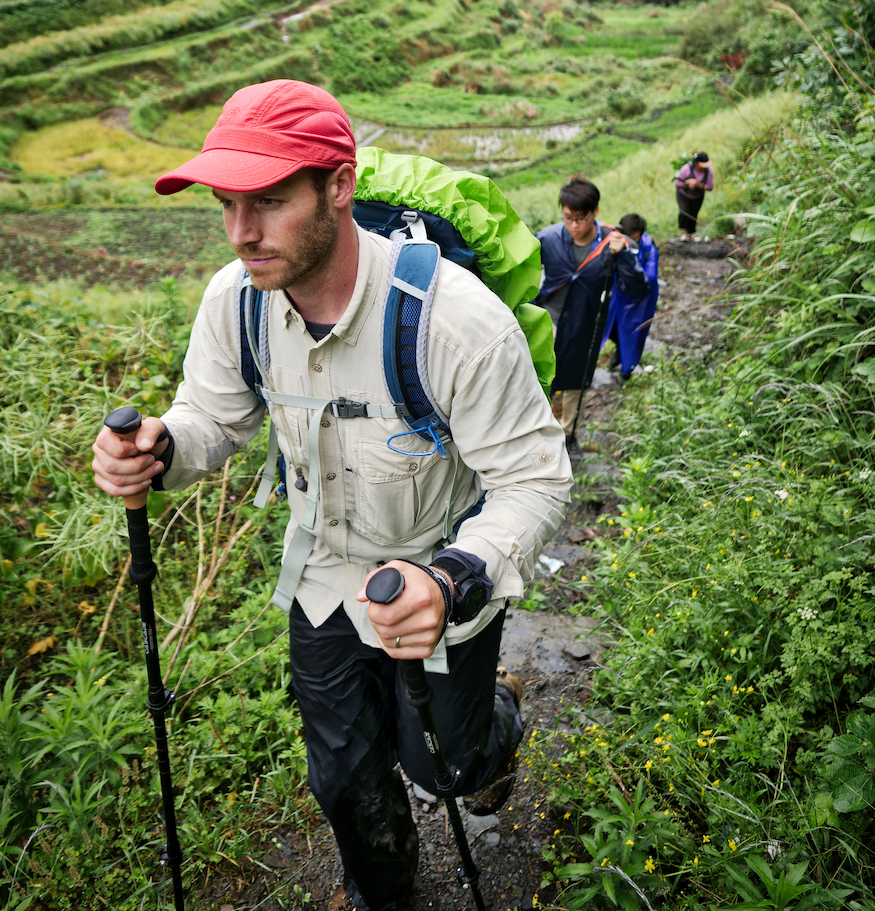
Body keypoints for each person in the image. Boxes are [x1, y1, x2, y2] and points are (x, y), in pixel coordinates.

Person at [90, 80, 572, 911]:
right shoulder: (235, 303)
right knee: (344, 773)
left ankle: (492, 727)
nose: (243, 232)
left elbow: (534, 477)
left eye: (270, 200)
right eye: (228, 203)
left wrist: (456, 577)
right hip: (324, 575)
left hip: (436, 568)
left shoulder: (453, 320)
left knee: (444, 766)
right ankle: (385, 894)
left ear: (338, 185)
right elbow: (211, 414)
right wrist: (162, 449)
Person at [535, 176, 648, 458]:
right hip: (548, 318)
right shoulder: (547, 238)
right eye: (568, 218)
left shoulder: (613, 242)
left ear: (595, 212)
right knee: (539, 374)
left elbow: (637, 287)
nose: (574, 226)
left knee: (576, 377)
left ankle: (567, 433)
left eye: (581, 219)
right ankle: (536, 428)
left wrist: (622, 256)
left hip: (586, 321)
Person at [600, 213, 659, 384]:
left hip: (640, 300)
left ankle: (627, 369)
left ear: (638, 233)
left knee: (633, 332)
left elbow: (649, 278)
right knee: (612, 327)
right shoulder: (617, 242)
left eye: (630, 236)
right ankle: (620, 351)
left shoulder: (648, 248)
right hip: (619, 295)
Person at [675, 151, 713, 240]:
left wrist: (699, 185)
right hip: (683, 195)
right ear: (696, 163)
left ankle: (691, 233)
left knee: (693, 214)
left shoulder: (708, 172)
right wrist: (686, 184)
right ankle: (683, 232)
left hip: (698, 197)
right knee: (684, 211)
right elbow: (677, 183)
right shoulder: (686, 169)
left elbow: (710, 186)